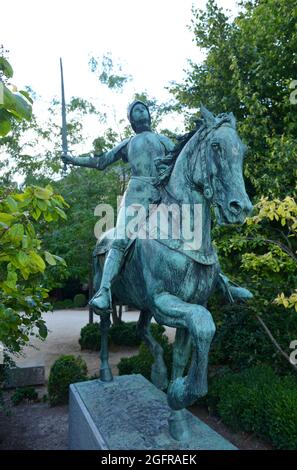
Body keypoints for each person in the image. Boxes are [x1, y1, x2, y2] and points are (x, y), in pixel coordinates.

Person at [62, 100, 175, 312]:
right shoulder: (129, 143)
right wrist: (73, 159)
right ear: (131, 119)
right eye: (136, 110)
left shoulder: (163, 141)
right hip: (136, 195)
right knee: (121, 239)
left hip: (163, 195)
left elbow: (181, 160)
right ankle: (104, 291)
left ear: (150, 115)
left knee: (191, 232)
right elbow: (102, 161)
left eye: (143, 108)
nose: (141, 112)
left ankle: (218, 278)